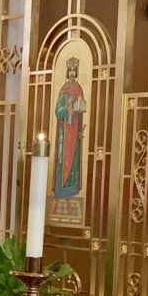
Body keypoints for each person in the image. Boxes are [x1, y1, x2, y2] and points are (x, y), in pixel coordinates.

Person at [53, 56, 87, 202]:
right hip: (64, 131)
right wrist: (67, 108)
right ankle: (61, 192)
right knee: (63, 158)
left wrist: (78, 107)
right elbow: (58, 111)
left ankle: (72, 189)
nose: (72, 73)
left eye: (74, 71)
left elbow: (81, 108)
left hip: (74, 129)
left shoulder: (78, 88)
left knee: (73, 159)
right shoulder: (64, 89)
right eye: (70, 71)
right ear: (67, 72)